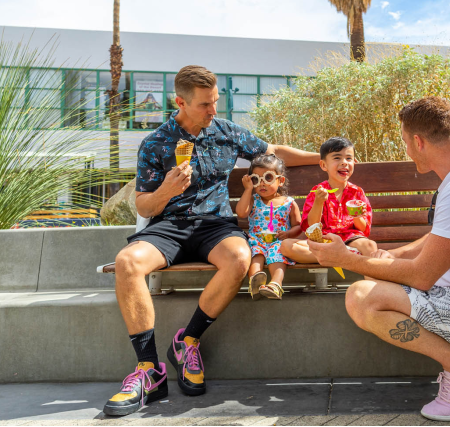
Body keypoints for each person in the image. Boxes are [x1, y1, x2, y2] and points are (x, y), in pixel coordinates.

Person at [103, 65, 319, 417]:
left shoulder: (225, 132)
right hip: (168, 225)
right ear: (181, 102)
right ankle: (148, 371)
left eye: (215, 102)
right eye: (205, 104)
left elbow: (273, 150)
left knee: (239, 258)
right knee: (127, 263)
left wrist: (321, 158)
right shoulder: (155, 143)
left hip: (215, 225)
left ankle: (187, 341)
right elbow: (143, 204)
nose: (213, 111)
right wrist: (167, 190)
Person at [307, 97, 450, 422]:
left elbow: (421, 277)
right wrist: (388, 257)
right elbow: (437, 240)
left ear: (418, 141)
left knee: (361, 297)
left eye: (405, 142)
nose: (406, 150)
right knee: (373, 280)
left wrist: (345, 258)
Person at [281, 137, 376, 263]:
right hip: (323, 241)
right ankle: (344, 257)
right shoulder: (316, 192)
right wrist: (318, 202)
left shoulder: (357, 192)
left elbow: (364, 230)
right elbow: (310, 227)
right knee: (286, 246)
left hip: (350, 240)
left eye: (349, 158)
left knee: (370, 246)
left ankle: (341, 258)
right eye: (337, 158)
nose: (344, 162)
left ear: (354, 163)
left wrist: (357, 216)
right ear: (323, 165)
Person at [235, 153, 301, 300]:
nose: (262, 183)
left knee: (277, 253)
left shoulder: (288, 203)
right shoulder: (253, 199)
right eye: (256, 179)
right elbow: (241, 212)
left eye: (268, 177)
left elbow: (298, 226)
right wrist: (247, 190)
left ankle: (275, 284)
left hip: (278, 241)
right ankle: (255, 283)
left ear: (281, 180)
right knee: (255, 253)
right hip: (256, 239)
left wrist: (288, 234)